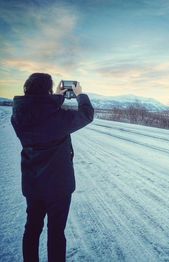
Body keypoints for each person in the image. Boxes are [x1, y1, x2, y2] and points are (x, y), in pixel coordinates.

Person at [11, 73, 94, 262]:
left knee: (32, 228)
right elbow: (87, 114)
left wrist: (56, 97)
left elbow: (40, 111)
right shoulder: (58, 118)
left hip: (32, 183)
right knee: (56, 232)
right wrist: (80, 94)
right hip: (58, 186)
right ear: (48, 91)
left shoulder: (18, 116)